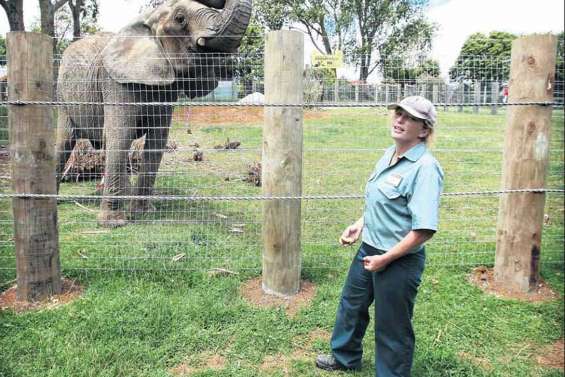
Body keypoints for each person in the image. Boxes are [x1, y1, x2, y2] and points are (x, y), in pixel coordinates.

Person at [316, 96, 444, 376]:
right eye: (398, 113)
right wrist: (360, 224)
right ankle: (345, 357)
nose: (399, 120)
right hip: (369, 249)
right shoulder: (390, 153)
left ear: (423, 130)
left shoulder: (424, 168)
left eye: (409, 118)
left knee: (392, 324)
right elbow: (382, 200)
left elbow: (423, 230)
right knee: (352, 305)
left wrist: (386, 258)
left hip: (398, 260)